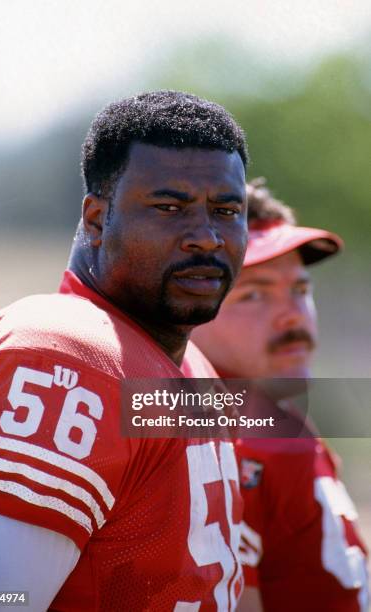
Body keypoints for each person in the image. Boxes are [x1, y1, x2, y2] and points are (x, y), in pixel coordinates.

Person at [0, 91, 249, 611]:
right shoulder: (64, 354)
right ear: (95, 218)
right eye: (169, 208)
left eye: (226, 211)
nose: (205, 237)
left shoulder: (190, 365)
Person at [192, 178, 369, 612]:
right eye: (254, 294)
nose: (293, 315)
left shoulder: (265, 417)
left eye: (300, 289)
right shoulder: (231, 441)